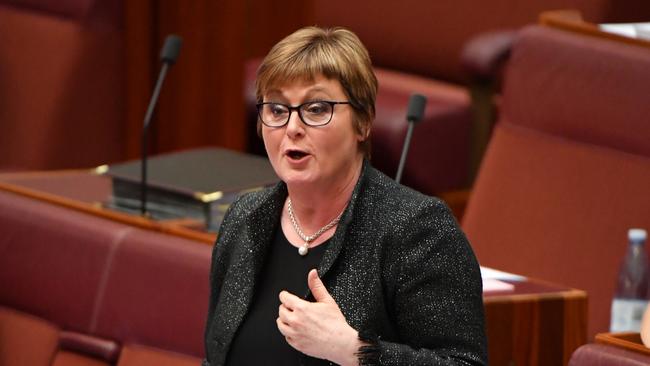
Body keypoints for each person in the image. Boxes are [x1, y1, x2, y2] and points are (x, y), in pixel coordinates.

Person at [203, 26, 487, 366]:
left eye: (317, 109)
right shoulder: (245, 219)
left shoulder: (418, 232)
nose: (292, 127)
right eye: (277, 109)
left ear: (363, 122)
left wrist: (353, 351)